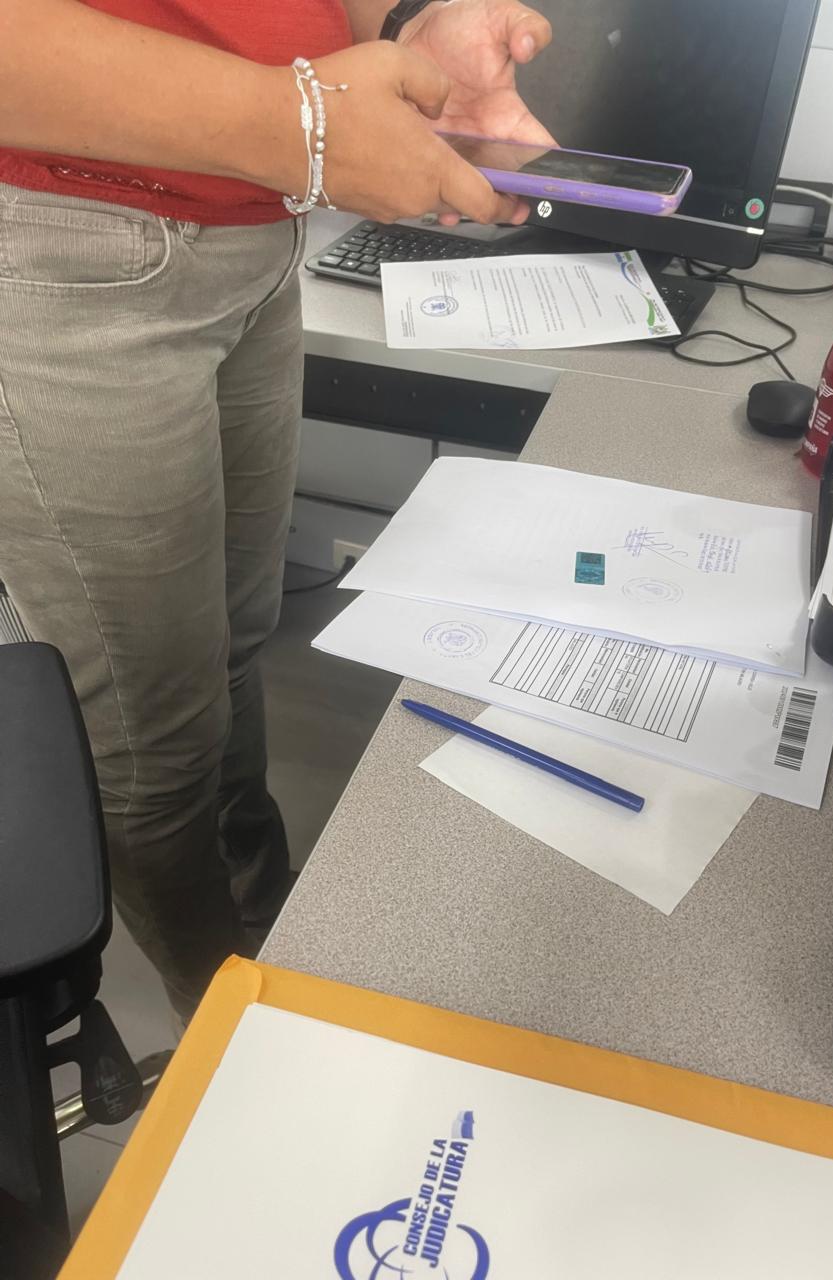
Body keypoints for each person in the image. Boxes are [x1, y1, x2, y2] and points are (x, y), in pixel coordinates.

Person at [0, 0, 552, 1021]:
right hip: (72, 234)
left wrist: (404, 21)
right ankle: (226, 1017)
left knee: (234, 644)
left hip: (255, 223)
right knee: (152, 743)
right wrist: (296, 120)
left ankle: (260, 920)